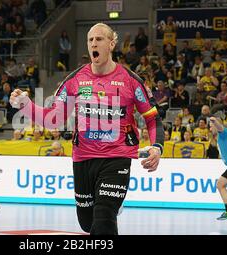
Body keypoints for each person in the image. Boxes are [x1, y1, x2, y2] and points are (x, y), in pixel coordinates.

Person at [10, 23, 164, 235]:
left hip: (117, 156)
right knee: (87, 223)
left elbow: (153, 118)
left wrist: (156, 146)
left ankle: (111, 204)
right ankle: (110, 207)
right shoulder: (75, 80)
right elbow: (53, 120)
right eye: (90, 40)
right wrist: (25, 105)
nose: (94, 43)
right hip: (83, 158)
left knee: (104, 213)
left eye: (99, 39)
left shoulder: (130, 80)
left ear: (111, 44)